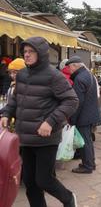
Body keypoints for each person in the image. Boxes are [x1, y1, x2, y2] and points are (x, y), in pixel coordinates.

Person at [0, 36, 79, 207]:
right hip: (25, 137)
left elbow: (71, 101)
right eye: (25, 51)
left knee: (44, 180)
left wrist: (50, 122)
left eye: (31, 51)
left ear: (41, 53)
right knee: (29, 182)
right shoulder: (22, 75)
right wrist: (6, 113)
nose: (26, 55)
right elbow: (16, 99)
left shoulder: (54, 76)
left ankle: (68, 198)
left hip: (46, 138)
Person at [66, 56, 101, 174]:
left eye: (70, 68)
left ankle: (87, 166)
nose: (69, 70)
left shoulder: (79, 79)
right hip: (90, 114)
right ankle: (91, 163)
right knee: (88, 140)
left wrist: (72, 119)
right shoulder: (88, 75)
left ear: (75, 66)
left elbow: (77, 102)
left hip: (84, 116)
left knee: (85, 141)